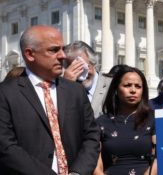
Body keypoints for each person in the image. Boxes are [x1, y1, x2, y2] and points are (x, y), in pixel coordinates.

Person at [0, 25, 99, 174]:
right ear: (30, 54)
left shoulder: (75, 91)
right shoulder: (6, 93)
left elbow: (91, 136)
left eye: (62, 48)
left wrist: (78, 172)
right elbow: (5, 146)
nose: (63, 56)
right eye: (54, 50)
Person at [95, 65, 156, 175]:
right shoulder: (101, 122)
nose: (133, 90)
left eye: (138, 86)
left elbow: (159, 158)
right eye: (127, 85)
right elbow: (95, 163)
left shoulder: (154, 120)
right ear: (116, 89)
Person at [63, 40, 112, 118]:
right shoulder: (61, 88)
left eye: (83, 68)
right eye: (73, 69)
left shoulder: (111, 85)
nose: (80, 75)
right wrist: (66, 86)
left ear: (93, 63)